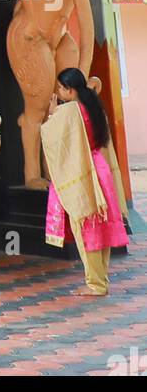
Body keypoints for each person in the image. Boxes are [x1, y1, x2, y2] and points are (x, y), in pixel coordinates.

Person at [41, 68, 128, 296]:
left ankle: (95, 284)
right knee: (102, 226)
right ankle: (101, 279)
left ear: (69, 89)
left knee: (87, 227)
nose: (58, 92)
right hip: (100, 168)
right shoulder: (93, 105)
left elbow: (51, 137)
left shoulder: (68, 111)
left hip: (83, 172)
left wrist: (51, 115)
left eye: (60, 88)